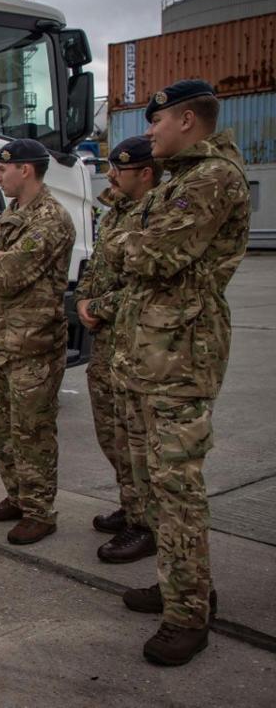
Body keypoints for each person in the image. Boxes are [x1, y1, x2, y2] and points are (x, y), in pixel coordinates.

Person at [114, 80, 250, 666]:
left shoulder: (213, 179)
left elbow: (152, 254)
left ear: (188, 120)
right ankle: (180, 584)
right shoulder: (182, 180)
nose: (149, 131)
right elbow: (131, 241)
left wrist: (124, 242)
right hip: (155, 348)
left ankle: (189, 613)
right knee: (154, 483)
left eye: (156, 121)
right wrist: (128, 240)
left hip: (182, 353)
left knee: (177, 488)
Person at [0, 139, 75, 545]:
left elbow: (1, 276)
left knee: (33, 431)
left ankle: (40, 512)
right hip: (0, 341)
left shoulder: (51, 220)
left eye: (2, 170)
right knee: (0, 428)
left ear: (25, 170)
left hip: (35, 346)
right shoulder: (13, 214)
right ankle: (17, 496)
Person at [75, 136, 160, 564]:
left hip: (136, 339)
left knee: (136, 439)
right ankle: (131, 504)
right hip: (107, 341)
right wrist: (83, 301)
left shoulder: (155, 214)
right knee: (111, 433)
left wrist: (99, 307)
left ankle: (145, 524)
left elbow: (143, 285)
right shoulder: (115, 214)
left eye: (119, 170)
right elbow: (96, 268)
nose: (110, 175)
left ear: (145, 173)